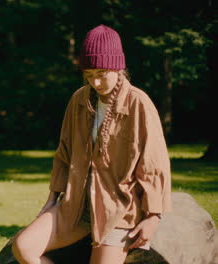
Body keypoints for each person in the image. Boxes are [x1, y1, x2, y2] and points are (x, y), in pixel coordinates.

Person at [11, 24, 172, 264]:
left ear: (118, 67)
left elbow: (153, 165)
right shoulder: (78, 100)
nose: (95, 82)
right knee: (23, 247)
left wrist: (153, 216)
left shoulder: (139, 104)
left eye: (101, 73)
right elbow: (64, 154)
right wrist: (52, 199)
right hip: (76, 207)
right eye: (89, 75)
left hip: (118, 212)